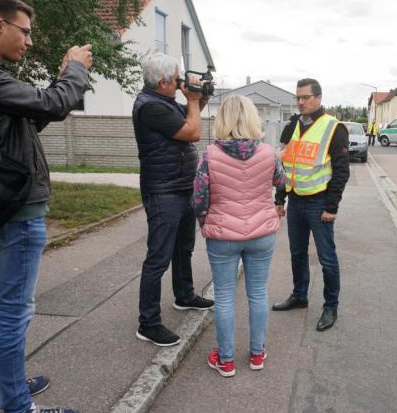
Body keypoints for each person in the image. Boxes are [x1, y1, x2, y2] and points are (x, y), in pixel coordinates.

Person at [0, 0, 92, 413]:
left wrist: (63, 82)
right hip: (16, 208)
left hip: (5, 203)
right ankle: (17, 406)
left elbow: (30, 118)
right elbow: (52, 105)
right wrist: (75, 71)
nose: (29, 40)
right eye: (24, 31)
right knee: (12, 311)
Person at [192, 95, 285, 377]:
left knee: (224, 296)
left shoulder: (209, 154)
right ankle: (257, 354)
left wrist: (205, 222)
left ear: (224, 120)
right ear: (253, 119)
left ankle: (227, 359)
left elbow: (199, 198)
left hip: (222, 236)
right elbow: (282, 182)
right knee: (258, 293)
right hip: (261, 234)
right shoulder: (269, 153)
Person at [132, 53, 214, 347]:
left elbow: (191, 115)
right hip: (163, 192)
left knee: (183, 249)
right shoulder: (150, 106)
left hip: (181, 187)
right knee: (158, 258)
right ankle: (148, 323)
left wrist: (201, 96)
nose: (181, 82)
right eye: (177, 78)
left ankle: (184, 295)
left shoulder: (164, 102)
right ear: (164, 82)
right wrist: (192, 98)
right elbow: (192, 131)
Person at [272, 78, 350, 331]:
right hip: (295, 200)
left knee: (327, 258)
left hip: (319, 202)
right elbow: (284, 165)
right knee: (297, 253)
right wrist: (280, 198)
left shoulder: (334, 128)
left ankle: (331, 306)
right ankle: (299, 296)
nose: (300, 102)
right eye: (298, 97)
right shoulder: (292, 125)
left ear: (318, 98)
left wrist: (332, 207)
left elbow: (342, 171)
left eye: (305, 97)